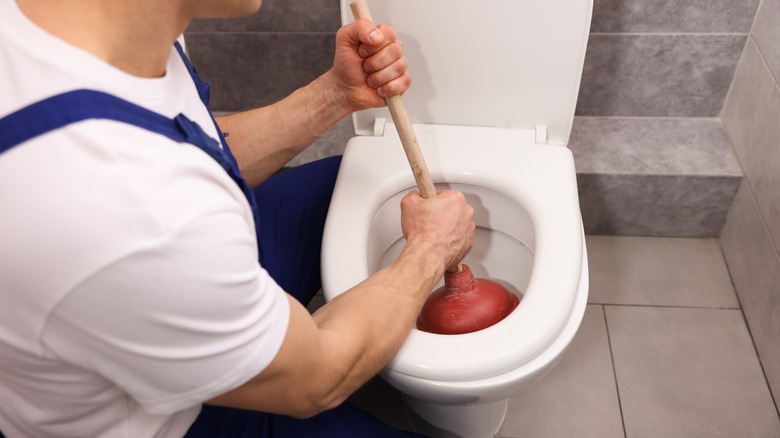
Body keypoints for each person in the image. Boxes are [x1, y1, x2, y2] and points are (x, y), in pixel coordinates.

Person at [0, 0, 475, 437]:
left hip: (161, 287)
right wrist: (429, 251)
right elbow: (318, 379)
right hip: (185, 418)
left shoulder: (90, 25)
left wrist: (334, 96)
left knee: (378, 178)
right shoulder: (130, 215)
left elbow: (185, 142)